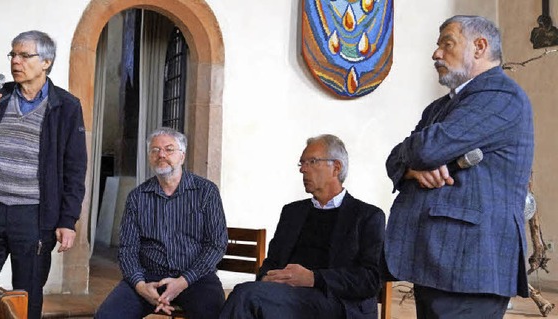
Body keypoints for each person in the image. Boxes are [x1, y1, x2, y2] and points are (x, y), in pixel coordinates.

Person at [384, 15, 534, 318]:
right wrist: (412, 168)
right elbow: (394, 159)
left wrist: (416, 155)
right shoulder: (439, 107)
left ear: (480, 46)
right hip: (439, 262)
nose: (436, 53)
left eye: (446, 43)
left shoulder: (500, 95)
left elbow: (427, 148)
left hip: (471, 265)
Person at [0, 30, 87, 319]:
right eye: (12, 54)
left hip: (33, 217)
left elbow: (75, 169)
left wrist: (68, 221)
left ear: (46, 62)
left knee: (26, 300)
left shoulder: (66, 107)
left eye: (24, 55)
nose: (15, 61)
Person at [220, 134, 385, 319]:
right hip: (289, 297)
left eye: (312, 162)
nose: (303, 170)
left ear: (336, 168)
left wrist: (314, 278)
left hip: (338, 303)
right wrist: (266, 277)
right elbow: (272, 262)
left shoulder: (367, 216)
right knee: (249, 296)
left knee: (247, 296)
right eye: (302, 164)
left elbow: (370, 280)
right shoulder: (292, 212)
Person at [95, 127, 228, 319]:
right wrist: (140, 286)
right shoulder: (137, 197)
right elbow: (127, 249)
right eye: (155, 150)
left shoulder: (206, 192)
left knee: (215, 315)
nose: (161, 154)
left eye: (169, 149)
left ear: (182, 156)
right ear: (150, 157)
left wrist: (183, 281)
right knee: (106, 316)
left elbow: (216, 244)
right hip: (149, 277)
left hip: (196, 277)